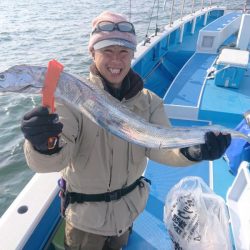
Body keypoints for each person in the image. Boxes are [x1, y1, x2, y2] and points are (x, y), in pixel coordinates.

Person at [21, 11, 231, 250]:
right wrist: (42, 144)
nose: (116, 61)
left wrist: (195, 152)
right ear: (92, 52)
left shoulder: (150, 102)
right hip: (85, 224)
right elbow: (52, 161)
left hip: (128, 215)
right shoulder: (71, 100)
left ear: (132, 54)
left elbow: (161, 149)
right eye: (107, 51)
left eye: (123, 52)